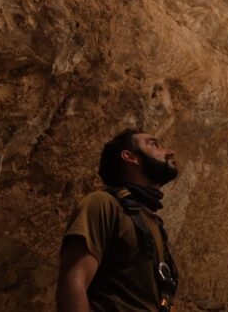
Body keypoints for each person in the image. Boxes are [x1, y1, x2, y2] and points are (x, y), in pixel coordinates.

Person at [57, 129, 180, 312]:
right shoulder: (103, 203)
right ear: (129, 157)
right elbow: (73, 282)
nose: (169, 152)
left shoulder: (151, 221)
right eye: (154, 144)